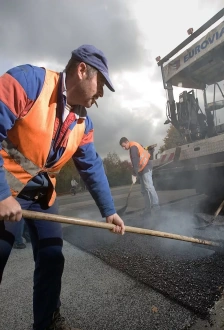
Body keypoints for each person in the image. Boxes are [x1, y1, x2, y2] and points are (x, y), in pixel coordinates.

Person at [0, 44, 125, 330]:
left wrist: (109, 210)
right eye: (101, 84)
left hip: (42, 194)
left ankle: (46, 322)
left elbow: (91, 166)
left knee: (52, 257)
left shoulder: (84, 122)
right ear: (82, 70)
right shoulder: (29, 82)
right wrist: (2, 195)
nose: (102, 94)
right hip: (5, 191)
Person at [119, 137, 160, 217]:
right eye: (122, 147)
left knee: (149, 187)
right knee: (143, 191)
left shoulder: (133, 147)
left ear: (127, 142)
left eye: (124, 146)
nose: (124, 148)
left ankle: (156, 208)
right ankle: (148, 210)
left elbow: (135, 161)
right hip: (141, 169)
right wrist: (136, 173)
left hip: (146, 167)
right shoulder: (133, 146)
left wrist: (134, 174)